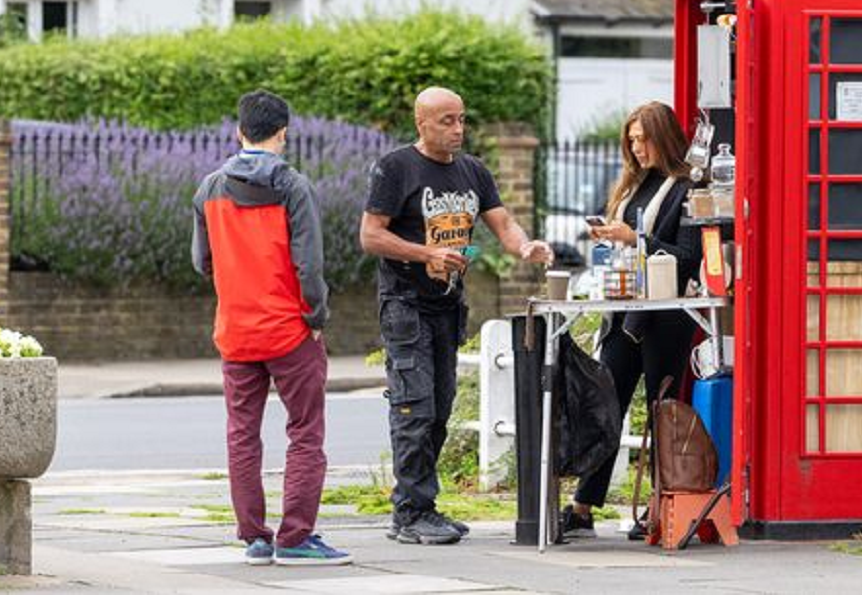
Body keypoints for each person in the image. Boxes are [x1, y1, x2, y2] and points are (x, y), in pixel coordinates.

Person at [360, 86, 553, 545]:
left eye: (461, 119)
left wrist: (526, 246)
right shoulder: (396, 167)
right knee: (414, 405)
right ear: (421, 123)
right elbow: (371, 235)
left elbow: (503, 223)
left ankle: (423, 505)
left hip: (448, 304)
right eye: (446, 121)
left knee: (441, 407)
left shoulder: (473, 171)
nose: (457, 129)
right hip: (405, 303)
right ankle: (408, 513)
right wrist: (425, 251)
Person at [192, 90, 351, 567]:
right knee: (305, 432)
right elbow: (310, 265)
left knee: (242, 434)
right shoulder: (292, 186)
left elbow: (201, 262)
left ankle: (256, 538)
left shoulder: (209, 189)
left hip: (236, 331)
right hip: (288, 331)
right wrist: (317, 317)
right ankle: (297, 537)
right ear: (283, 132)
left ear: (239, 131)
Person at [558, 101, 703, 540]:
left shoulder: (687, 188)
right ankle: (583, 507)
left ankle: (663, 508)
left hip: (666, 316)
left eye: (644, 139)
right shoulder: (631, 186)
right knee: (605, 406)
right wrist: (611, 237)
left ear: (665, 137)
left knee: (662, 413)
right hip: (624, 311)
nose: (637, 148)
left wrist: (637, 237)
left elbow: (689, 258)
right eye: (632, 140)